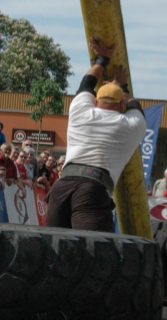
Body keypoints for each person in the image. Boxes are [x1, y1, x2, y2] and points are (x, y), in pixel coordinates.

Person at [45, 37, 146, 232]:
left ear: (96, 100)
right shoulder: (130, 125)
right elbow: (135, 106)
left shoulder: (79, 111)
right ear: (120, 105)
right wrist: (123, 88)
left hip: (62, 186)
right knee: (94, 251)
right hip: (92, 189)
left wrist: (102, 59)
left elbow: (86, 84)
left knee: (52, 250)